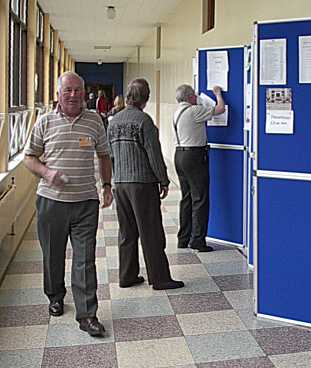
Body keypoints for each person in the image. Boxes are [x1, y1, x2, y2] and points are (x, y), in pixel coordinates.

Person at [23, 71, 113, 337]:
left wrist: (107, 186)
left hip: (86, 201)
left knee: (85, 260)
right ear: (58, 94)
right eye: (68, 91)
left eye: (78, 90)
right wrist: (47, 173)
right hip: (52, 202)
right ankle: (55, 295)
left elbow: (104, 155)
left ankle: (87, 315)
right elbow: (29, 158)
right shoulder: (45, 122)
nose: (73, 95)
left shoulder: (95, 121)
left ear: (84, 92)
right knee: (53, 254)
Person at [107, 78, 184, 290]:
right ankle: (160, 278)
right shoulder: (144, 121)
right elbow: (154, 154)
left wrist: (114, 179)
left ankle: (127, 275)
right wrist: (163, 179)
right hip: (142, 184)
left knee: (127, 232)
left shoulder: (113, 121)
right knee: (151, 232)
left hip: (120, 183)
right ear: (146, 98)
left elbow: (110, 154)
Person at [173, 84, 225, 252]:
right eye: (194, 95)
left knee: (186, 198)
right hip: (195, 156)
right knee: (200, 199)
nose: (196, 97)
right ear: (190, 97)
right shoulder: (194, 111)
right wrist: (218, 94)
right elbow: (220, 109)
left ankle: (183, 238)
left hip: (180, 155)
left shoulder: (177, 112)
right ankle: (198, 241)